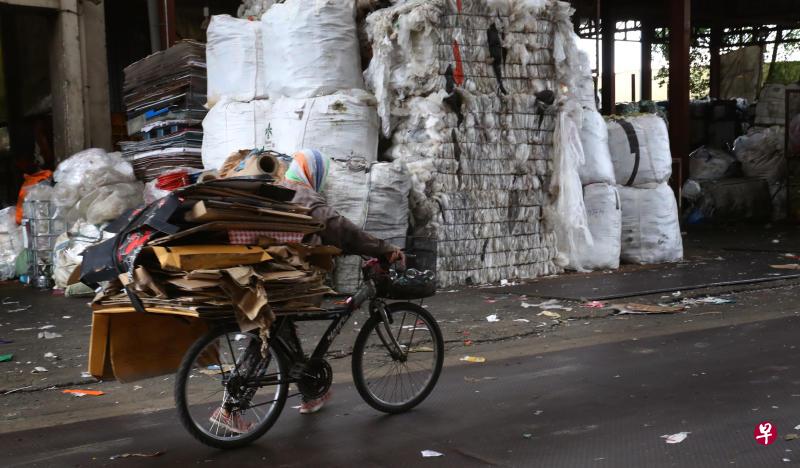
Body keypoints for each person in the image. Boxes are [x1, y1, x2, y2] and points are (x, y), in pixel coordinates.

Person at [283, 149, 405, 414]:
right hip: (287, 280)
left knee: (284, 338)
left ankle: (311, 392)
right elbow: (338, 228)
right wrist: (381, 248)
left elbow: (317, 234)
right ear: (314, 173)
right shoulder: (305, 196)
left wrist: (337, 249)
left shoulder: (282, 188)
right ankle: (229, 411)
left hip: (278, 274)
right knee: (276, 337)